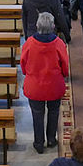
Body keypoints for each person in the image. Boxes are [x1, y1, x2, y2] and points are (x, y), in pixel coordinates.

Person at [21, 12, 70, 153]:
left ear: (37, 26)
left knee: (37, 114)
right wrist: (64, 75)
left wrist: (27, 73)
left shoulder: (29, 43)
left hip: (35, 86)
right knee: (54, 112)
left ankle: (38, 143)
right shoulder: (58, 44)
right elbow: (65, 66)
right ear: (53, 26)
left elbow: (23, 64)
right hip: (54, 85)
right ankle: (51, 139)